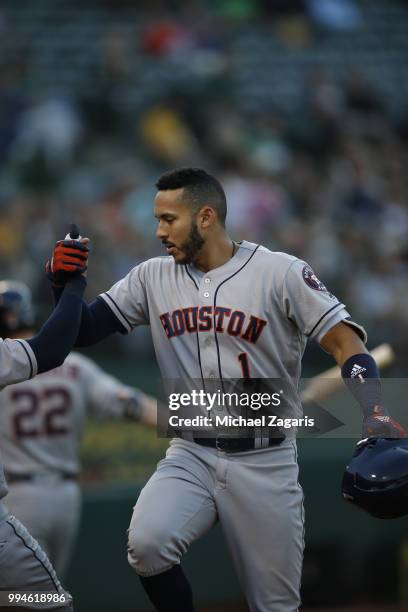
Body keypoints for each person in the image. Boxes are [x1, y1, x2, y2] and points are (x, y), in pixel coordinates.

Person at [48, 169, 405, 612]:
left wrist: (374, 411)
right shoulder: (151, 277)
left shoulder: (281, 272)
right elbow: (81, 331)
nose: (158, 231)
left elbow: (345, 343)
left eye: (168, 219)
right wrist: (66, 288)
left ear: (206, 217)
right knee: (148, 545)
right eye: (156, 219)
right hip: (191, 451)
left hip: (265, 461)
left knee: (274, 606)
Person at [0, 280, 157, 580]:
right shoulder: (74, 365)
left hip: (15, 500)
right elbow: (130, 403)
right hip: (66, 498)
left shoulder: (4, 366)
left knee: (22, 597)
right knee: (47, 591)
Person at [0, 231, 89, 612]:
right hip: (47, 503)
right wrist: (72, 285)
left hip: (24, 497)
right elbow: (51, 349)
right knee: (49, 602)